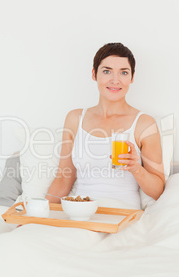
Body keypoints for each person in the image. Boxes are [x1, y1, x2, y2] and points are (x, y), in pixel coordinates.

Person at [46, 43, 165, 209]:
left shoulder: (144, 124)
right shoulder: (75, 118)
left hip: (122, 215)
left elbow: (158, 191)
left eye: (124, 72)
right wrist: (37, 213)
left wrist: (136, 168)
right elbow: (63, 178)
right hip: (80, 212)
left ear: (132, 78)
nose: (115, 80)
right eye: (107, 71)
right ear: (94, 74)